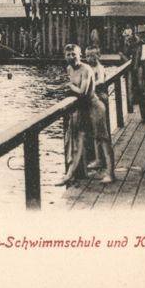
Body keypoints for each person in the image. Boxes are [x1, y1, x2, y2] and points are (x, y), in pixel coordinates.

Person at [56, 44, 95, 186]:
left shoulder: (86, 69)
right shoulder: (69, 68)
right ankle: (78, 172)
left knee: (78, 140)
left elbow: (83, 91)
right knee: (71, 140)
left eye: (74, 54)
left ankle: (70, 174)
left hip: (86, 107)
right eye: (68, 54)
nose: (71, 57)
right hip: (75, 107)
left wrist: (69, 86)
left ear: (80, 55)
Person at [84, 46, 116, 183]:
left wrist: (85, 86)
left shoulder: (99, 68)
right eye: (87, 56)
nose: (90, 58)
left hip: (100, 101)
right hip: (92, 101)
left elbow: (101, 81)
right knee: (96, 135)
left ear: (99, 56)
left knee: (103, 137)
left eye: (93, 56)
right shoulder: (89, 68)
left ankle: (110, 172)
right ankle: (99, 159)